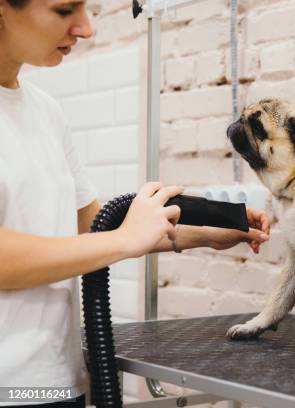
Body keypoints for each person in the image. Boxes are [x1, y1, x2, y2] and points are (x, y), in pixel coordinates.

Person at [0, 0, 270, 406]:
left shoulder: (45, 112)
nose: (86, 29)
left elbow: (91, 227)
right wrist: (126, 240)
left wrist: (202, 235)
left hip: (53, 380)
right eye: (64, 10)